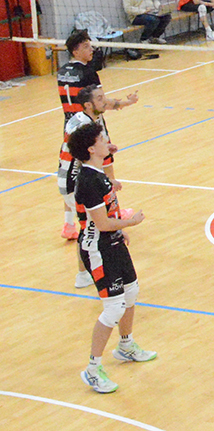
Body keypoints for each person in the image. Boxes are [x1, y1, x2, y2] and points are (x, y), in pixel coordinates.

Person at [68, 121, 156, 394]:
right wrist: (130, 223)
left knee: (131, 292)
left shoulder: (99, 174)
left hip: (113, 242)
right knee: (114, 308)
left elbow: (109, 213)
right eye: (102, 139)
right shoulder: (89, 181)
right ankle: (93, 370)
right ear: (91, 149)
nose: (107, 141)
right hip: (98, 250)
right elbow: (102, 223)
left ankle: (126, 345)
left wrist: (120, 229)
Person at [56, 29, 137, 241]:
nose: (91, 49)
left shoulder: (62, 71)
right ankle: (113, 213)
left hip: (70, 123)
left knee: (73, 172)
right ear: (75, 50)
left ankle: (68, 224)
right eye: (86, 46)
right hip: (91, 125)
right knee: (102, 167)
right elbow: (101, 102)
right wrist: (126, 102)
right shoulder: (88, 72)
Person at [61, 85, 127, 288]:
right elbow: (82, 157)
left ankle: (88, 272)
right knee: (90, 228)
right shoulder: (82, 125)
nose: (104, 101)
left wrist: (104, 149)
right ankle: (85, 274)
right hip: (73, 180)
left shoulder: (87, 120)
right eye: (99, 99)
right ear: (88, 105)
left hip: (76, 177)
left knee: (90, 226)